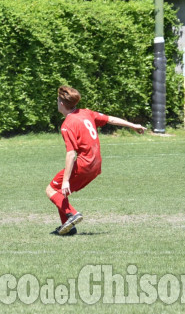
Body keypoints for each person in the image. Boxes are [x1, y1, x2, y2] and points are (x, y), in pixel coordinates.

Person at [46, 86, 146, 236]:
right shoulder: (86, 113)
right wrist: (132, 125)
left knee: (51, 190)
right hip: (96, 164)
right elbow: (110, 119)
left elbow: (71, 154)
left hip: (84, 164)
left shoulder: (67, 125)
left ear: (61, 103)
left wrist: (66, 180)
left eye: (57, 100)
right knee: (61, 193)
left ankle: (72, 214)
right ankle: (68, 228)